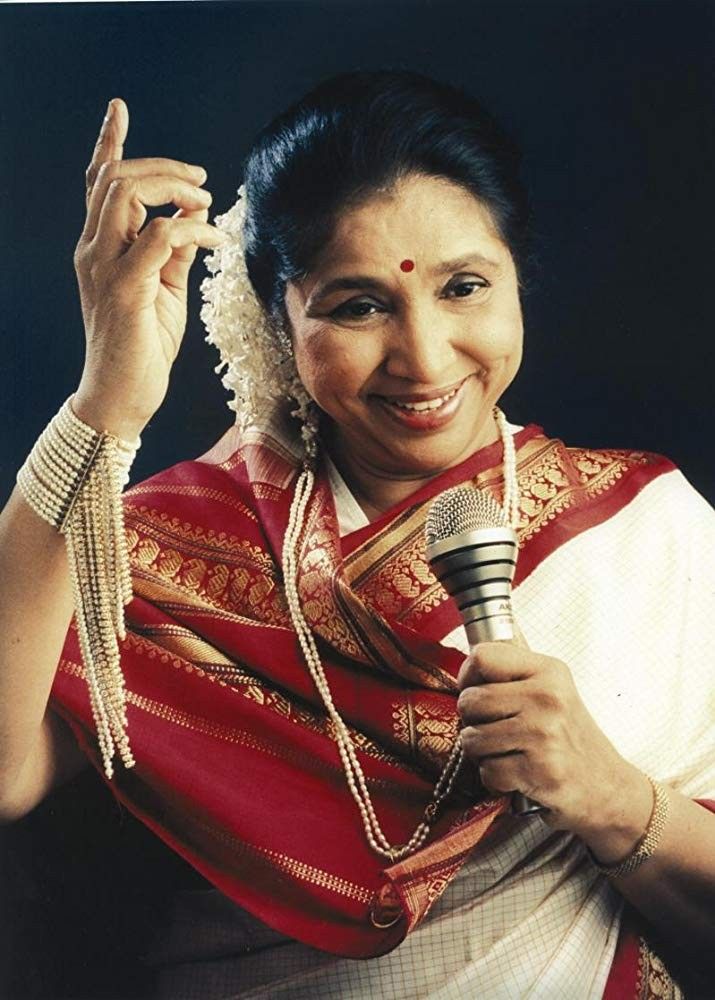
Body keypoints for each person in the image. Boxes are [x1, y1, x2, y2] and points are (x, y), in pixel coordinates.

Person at [0, 69, 713, 999]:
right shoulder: (147, 555)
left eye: (464, 287)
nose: (423, 357)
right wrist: (104, 403)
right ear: (277, 321)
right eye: (357, 305)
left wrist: (612, 799)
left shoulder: (646, 529)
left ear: (517, 281)